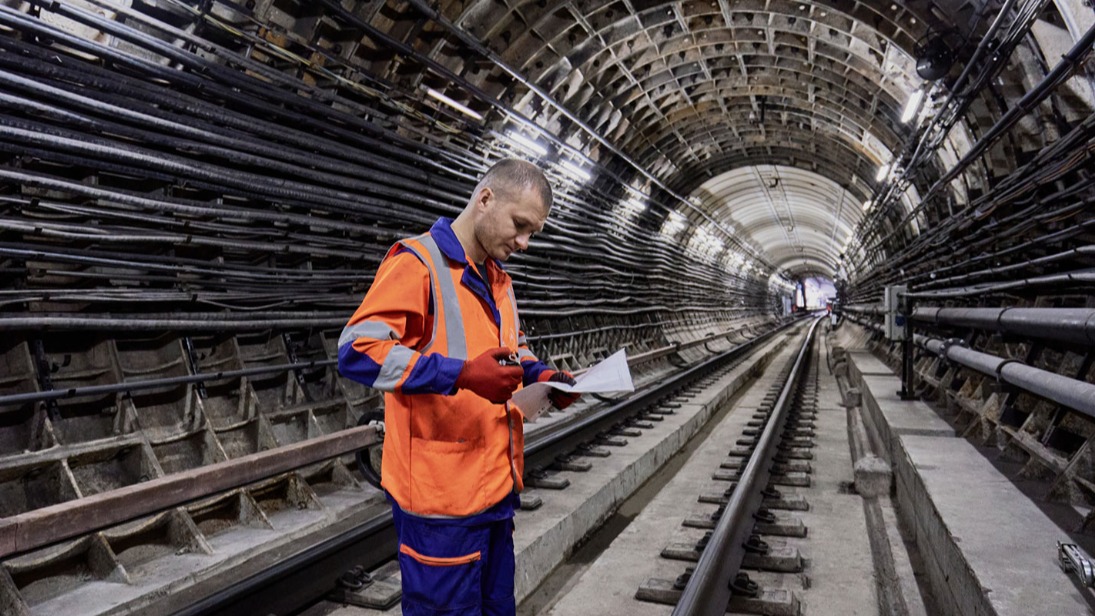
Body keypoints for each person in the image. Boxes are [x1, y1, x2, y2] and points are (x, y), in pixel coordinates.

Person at [338, 159, 580, 615]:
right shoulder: (419, 263)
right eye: (520, 225)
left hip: (495, 493)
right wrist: (461, 374)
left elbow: (512, 350)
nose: (525, 243)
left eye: (534, 232)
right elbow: (356, 350)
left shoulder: (499, 280)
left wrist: (542, 375)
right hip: (441, 504)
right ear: (485, 199)